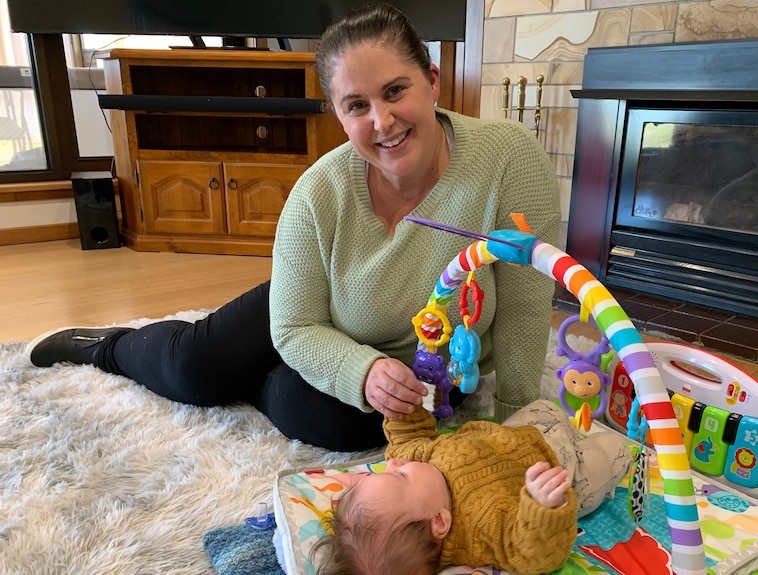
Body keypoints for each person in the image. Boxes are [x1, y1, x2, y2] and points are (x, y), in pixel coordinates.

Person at [25, 2, 561, 453]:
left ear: (433, 81)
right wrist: (362, 370)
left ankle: (272, 380)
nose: (382, 121)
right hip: (316, 309)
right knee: (194, 372)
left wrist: (521, 430)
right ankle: (106, 347)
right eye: (357, 105)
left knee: (333, 422)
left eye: (396, 91)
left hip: (426, 365)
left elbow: (524, 307)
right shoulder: (317, 193)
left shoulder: (508, 160)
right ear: (337, 113)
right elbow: (295, 325)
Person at [312, 399, 632, 575]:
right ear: (440, 522)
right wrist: (542, 508)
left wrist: (402, 409)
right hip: (565, 472)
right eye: (399, 477)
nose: (393, 463)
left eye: (382, 471)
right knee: (615, 449)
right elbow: (532, 553)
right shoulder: (481, 530)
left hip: (523, 434)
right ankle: (598, 448)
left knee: (545, 405)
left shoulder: (418, 465)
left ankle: (561, 423)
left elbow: (407, 440)